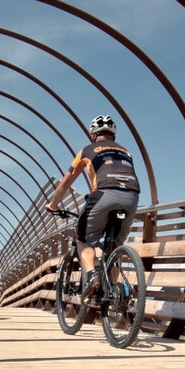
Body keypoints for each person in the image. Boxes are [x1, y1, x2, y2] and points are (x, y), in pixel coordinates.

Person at [45, 115, 141, 302]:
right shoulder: (126, 151)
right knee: (115, 247)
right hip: (132, 198)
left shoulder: (87, 150)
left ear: (93, 135)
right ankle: (113, 292)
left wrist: (53, 205)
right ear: (113, 135)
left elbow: (65, 182)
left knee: (83, 240)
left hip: (104, 194)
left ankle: (92, 276)